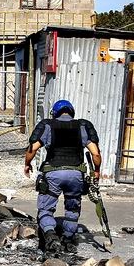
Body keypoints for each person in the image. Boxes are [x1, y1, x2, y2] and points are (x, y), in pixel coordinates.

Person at [23, 99, 102, 256]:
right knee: (72, 209)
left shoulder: (47, 125)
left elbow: (33, 148)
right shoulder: (82, 126)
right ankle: (68, 241)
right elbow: (96, 154)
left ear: (55, 113)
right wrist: (97, 171)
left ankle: (51, 235)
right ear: (71, 112)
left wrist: (27, 164)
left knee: (46, 209)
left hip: (53, 174)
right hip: (76, 175)